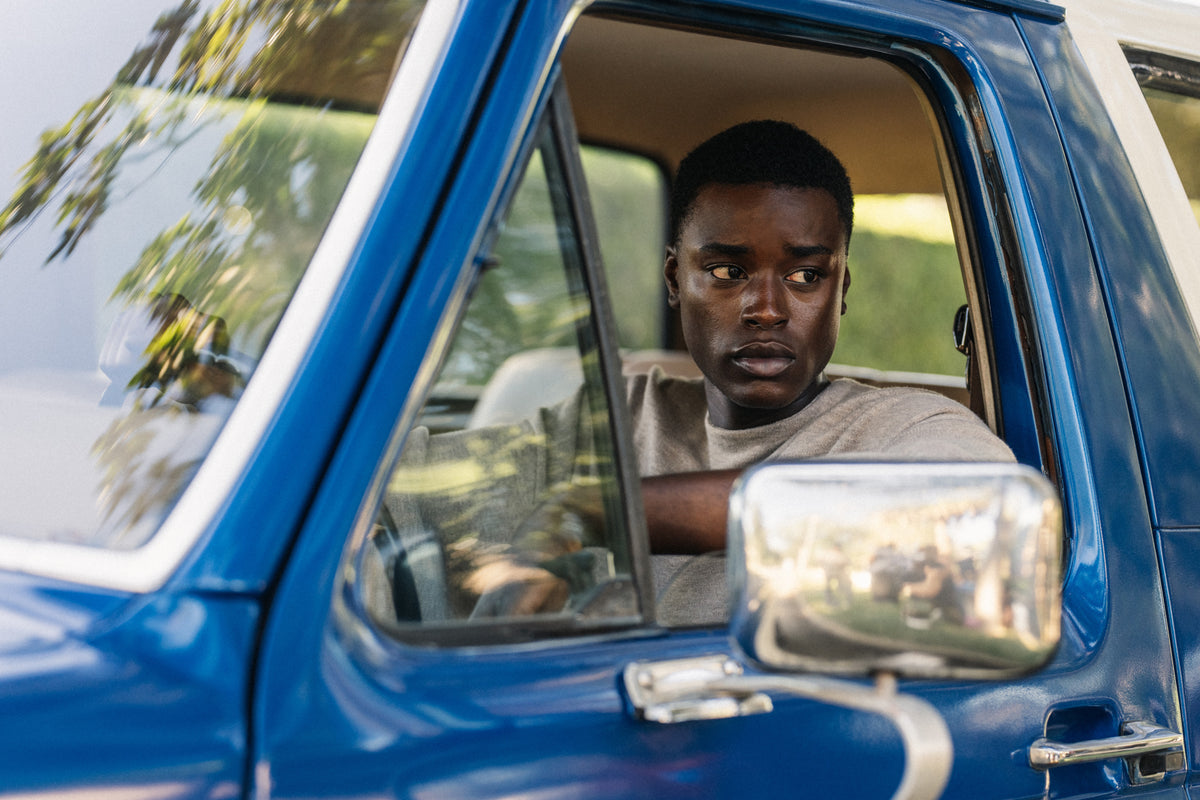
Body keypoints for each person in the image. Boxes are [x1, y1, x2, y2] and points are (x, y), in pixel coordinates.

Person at [633, 120, 1013, 564]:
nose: (767, 310)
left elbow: (976, 504)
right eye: (727, 272)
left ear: (841, 292)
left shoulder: (907, 426)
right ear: (674, 278)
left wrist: (602, 515)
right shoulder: (614, 419)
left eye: (805, 276)